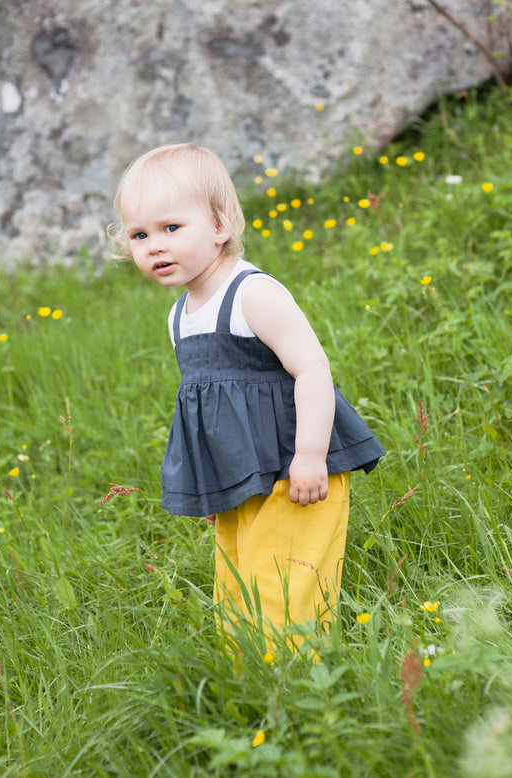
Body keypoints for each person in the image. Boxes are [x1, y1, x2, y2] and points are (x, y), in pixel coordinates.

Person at [111, 143, 385, 648]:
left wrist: (310, 455)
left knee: (284, 593)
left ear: (219, 226)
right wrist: (214, 484)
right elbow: (207, 412)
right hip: (240, 482)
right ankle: (249, 694)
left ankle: (298, 697)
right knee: (236, 593)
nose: (154, 245)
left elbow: (312, 370)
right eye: (140, 235)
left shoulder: (252, 294)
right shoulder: (180, 317)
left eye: (172, 228)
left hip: (291, 470)